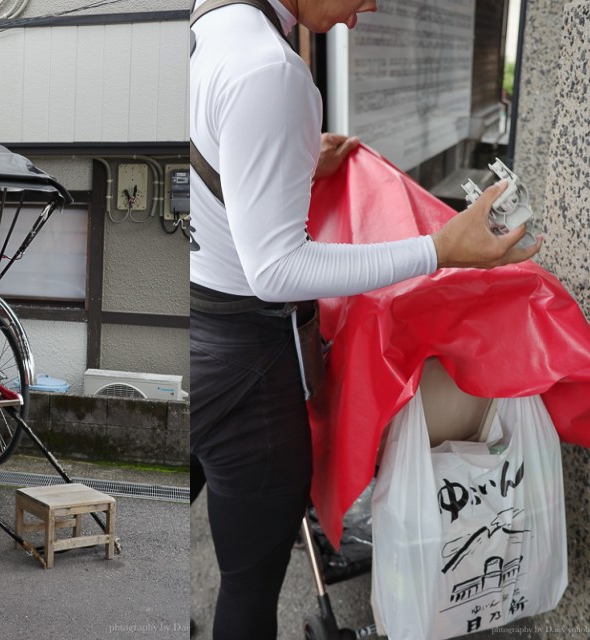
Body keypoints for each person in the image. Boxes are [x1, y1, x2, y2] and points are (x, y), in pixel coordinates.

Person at [189, 0, 542, 638]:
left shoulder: (208, 24)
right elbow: (276, 270)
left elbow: (216, 162)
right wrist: (439, 250)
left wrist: (283, 162)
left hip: (195, 328)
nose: (365, 12)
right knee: (248, 582)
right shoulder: (271, 69)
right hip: (246, 362)